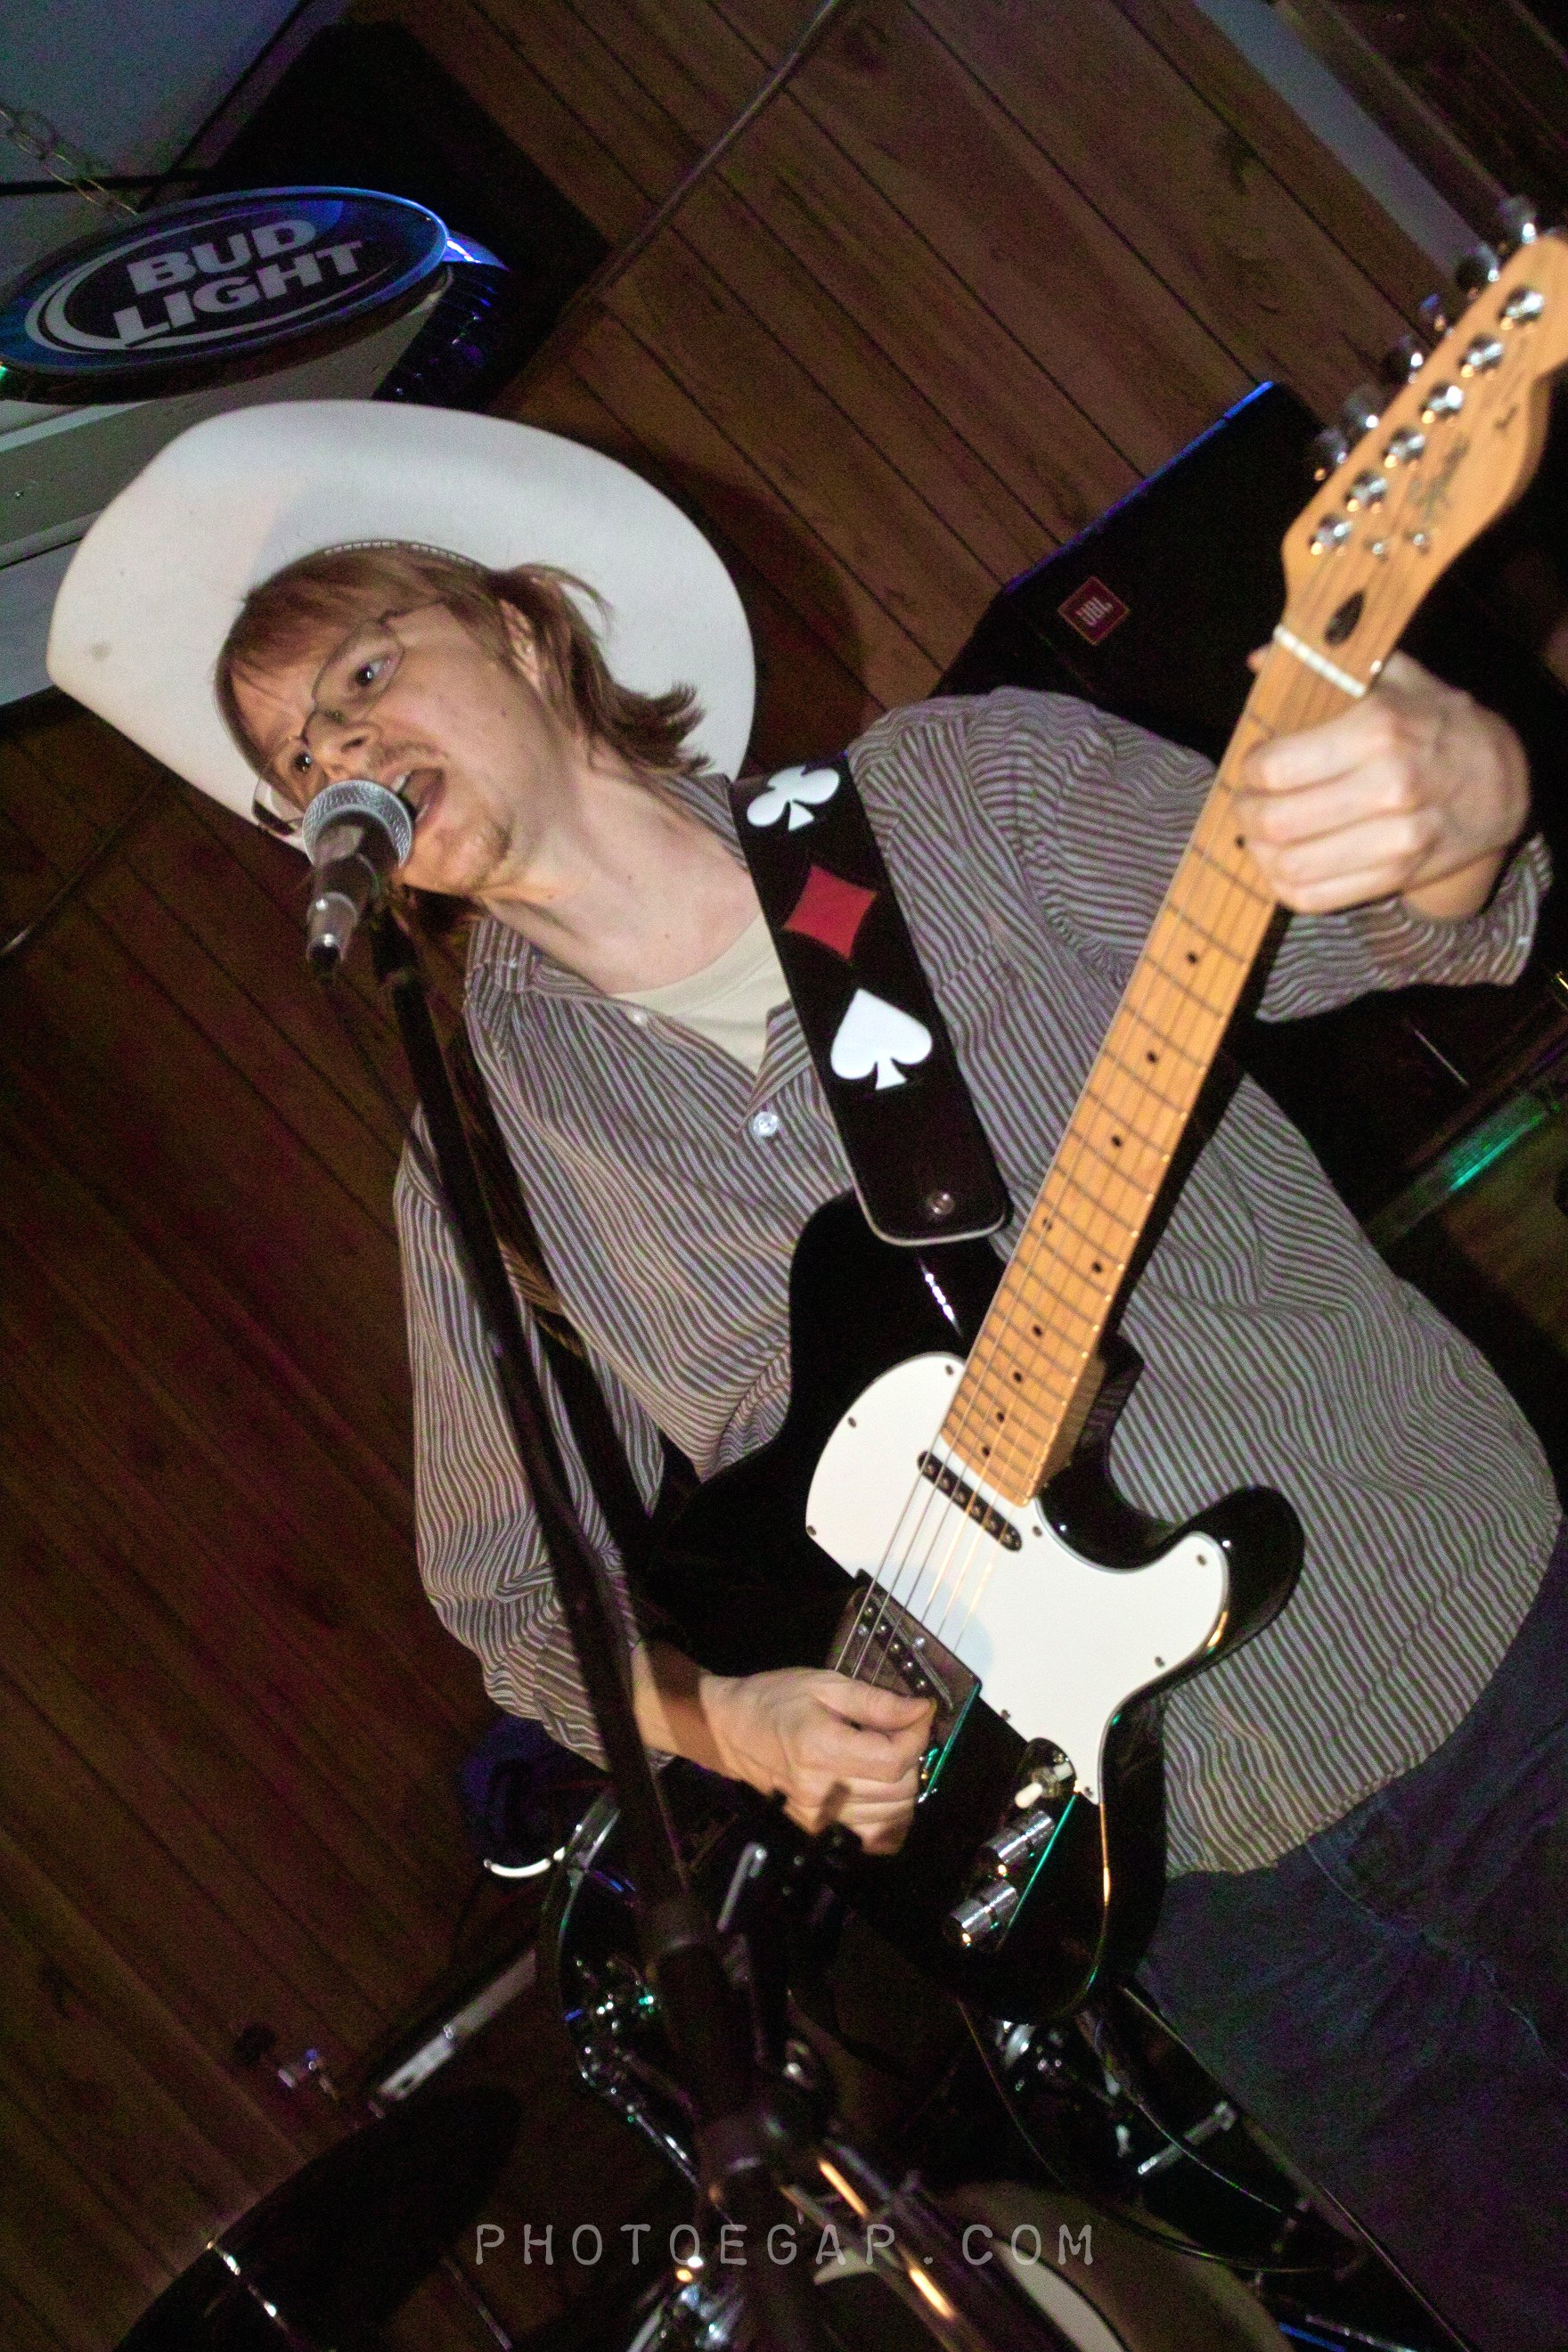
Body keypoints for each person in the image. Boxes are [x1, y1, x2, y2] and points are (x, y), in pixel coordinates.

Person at [48, 402, 1565, 2347]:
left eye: (360, 674)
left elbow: (1391, 928)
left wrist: (1463, 808)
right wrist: (729, 1720)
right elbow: (516, 1597)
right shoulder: (482, 1160)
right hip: (1172, 1875)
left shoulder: (957, 793)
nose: (336, 754)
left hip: (1460, 1626)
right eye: (292, 762)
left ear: (526, 629)